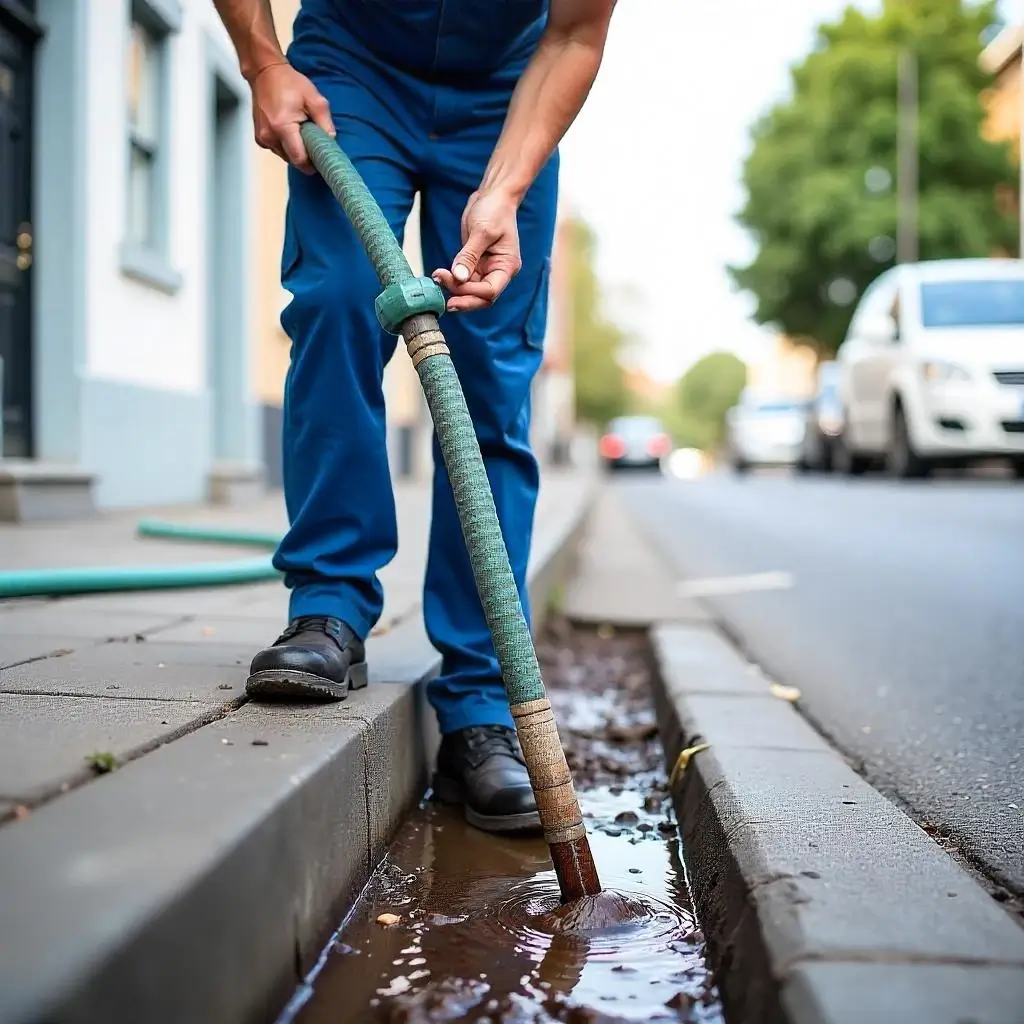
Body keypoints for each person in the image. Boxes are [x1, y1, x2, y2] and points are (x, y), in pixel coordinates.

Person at [212, 0, 614, 835]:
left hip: (508, 85)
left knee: (490, 381)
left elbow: (575, 32)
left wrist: (502, 190)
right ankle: (329, 606)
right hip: (355, 65)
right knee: (338, 300)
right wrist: (262, 63)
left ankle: (477, 704)